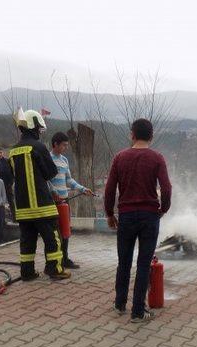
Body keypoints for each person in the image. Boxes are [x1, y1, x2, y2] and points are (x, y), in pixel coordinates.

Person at [104, 118, 172, 322]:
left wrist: (109, 213)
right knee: (143, 263)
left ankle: (119, 304)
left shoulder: (120, 157)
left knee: (123, 261)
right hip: (149, 216)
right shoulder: (157, 158)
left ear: (132, 135)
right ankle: (138, 312)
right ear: (151, 136)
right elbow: (167, 188)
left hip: (126, 216)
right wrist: (163, 209)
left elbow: (109, 188)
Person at [9, 109, 69, 281]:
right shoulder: (38, 147)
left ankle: (27, 273)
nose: (40, 132)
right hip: (42, 205)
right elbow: (50, 173)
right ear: (33, 127)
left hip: (22, 207)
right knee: (53, 239)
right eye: (39, 129)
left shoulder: (13, 151)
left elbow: (14, 175)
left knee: (27, 240)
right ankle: (55, 269)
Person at [48, 132, 95, 269]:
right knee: (55, 233)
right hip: (53, 202)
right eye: (64, 145)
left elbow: (68, 179)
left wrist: (82, 189)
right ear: (55, 144)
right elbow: (45, 180)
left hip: (65, 200)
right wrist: (53, 191)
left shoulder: (64, 160)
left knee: (66, 230)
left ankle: (65, 258)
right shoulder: (48, 159)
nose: (66, 148)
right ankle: (56, 261)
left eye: (67, 145)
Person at [0, 147, 15, 221]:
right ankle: (0, 219)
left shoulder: (7, 161)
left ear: (3, 153)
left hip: (7, 184)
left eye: (0, 152)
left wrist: (11, 182)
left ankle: (15, 217)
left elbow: (12, 172)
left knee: (11, 201)